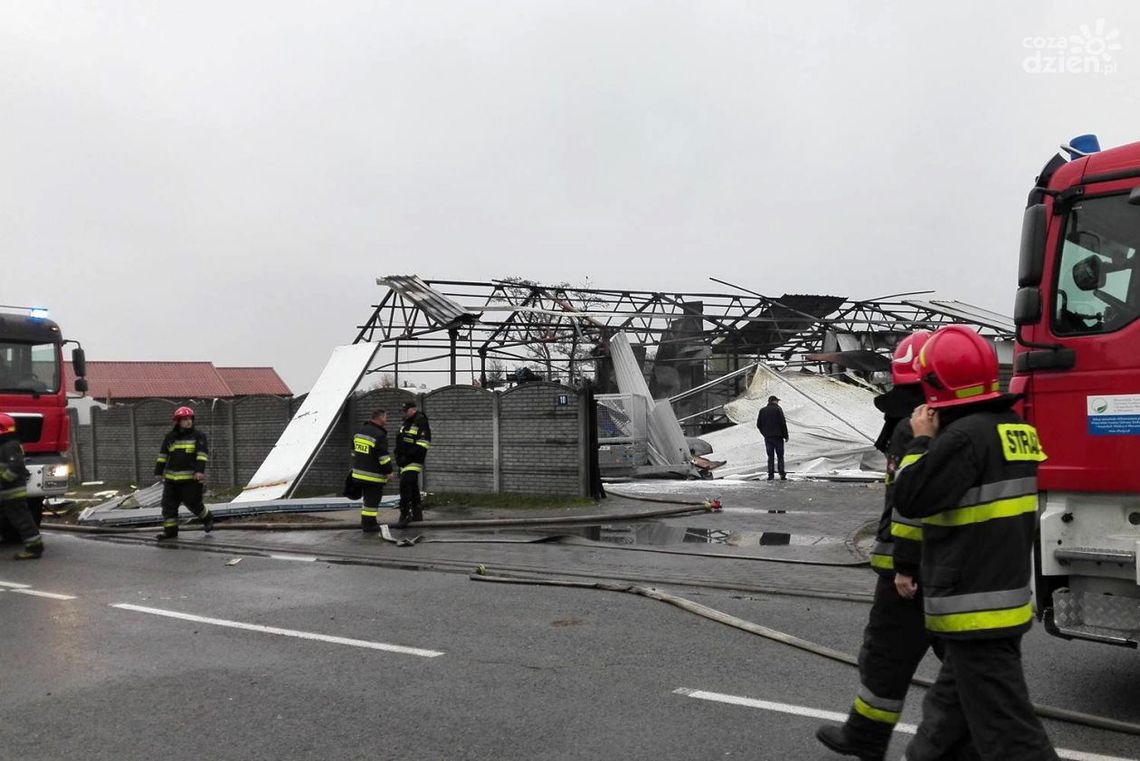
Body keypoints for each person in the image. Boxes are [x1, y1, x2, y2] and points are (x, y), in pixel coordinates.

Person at [893, 325, 1057, 761]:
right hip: (1002, 596)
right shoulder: (1014, 427)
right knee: (947, 720)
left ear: (936, 384)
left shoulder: (963, 438)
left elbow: (911, 498)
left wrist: (920, 440)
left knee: (1010, 734)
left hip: (972, 605)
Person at [816, 331, 945, 761]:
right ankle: (867, 734)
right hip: (946, 565)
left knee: (886, 654)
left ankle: (870, 737)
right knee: (962, 662)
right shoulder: (959, 424)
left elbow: (908, 503)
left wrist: (904, 564)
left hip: (908, 569)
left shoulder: (915, 427)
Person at [153, 406, 213, 541]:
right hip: (171, 480)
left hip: (190, 480)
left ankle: (207, 518)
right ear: (178, 421)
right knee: (168, 506)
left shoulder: (199, 436)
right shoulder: (170, 437)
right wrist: (158, 471)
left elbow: (202, 455)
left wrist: (199, 471)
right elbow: (163, 455)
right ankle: (170, 532)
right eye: (185, 419)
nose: (188, 421)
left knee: (193, 504)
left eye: (190, 418)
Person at [0, 413, 44, 559]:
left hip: (12, 492)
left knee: (22, 520)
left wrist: (3, 480)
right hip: (7, 492)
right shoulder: (5, 445)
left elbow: (16, 467)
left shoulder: (9, 445)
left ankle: (34, 548)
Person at [351, 409, 394, 533]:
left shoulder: (359, 431)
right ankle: (369, 525)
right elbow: (383, 457)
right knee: (372, 501)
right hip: (373, 476)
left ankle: (369, 522)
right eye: (385, 418)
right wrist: (389, 472)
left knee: (367, 500)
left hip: (358, 473)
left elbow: (353, 452)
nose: (386, 420)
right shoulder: (379, 434)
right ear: (380, 418)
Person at [395, 400, 431, 527]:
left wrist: (407, 457)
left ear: (413, 410)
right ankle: (417, 514)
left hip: (414, 461)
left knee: (405, 484)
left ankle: (405, 514)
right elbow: (400, 441)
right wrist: (398, 457)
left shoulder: (421, 421)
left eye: (405, 411)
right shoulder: (405, 423)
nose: (403, 413)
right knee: (413, 487)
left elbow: (423, 443)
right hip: (403, 461)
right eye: (402, 411)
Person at [755, 395, 789, 480]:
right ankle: (782, 474)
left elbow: (759, 424)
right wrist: (786, 435)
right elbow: (782, 423)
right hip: (778, 437)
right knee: (780, 456)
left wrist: (765, 433)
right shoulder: (778, 409)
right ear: (774, 401)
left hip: (768, 437)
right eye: (777, 401)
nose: (777, 402)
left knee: (770, 456)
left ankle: (770, 475)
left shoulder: (762, 410)